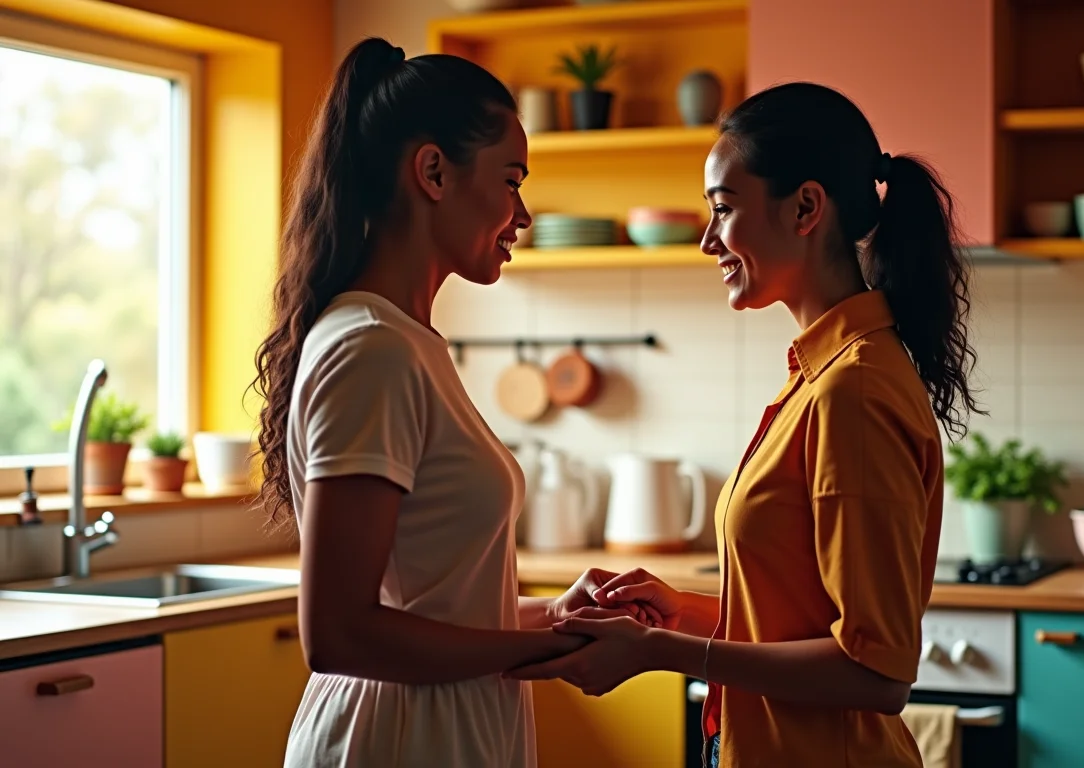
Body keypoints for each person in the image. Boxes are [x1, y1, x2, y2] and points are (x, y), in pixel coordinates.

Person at [506, 81, 984, 767]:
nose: (707, 241)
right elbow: (796, 620)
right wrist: (680, 610)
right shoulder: (822, 374)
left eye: (723, 210)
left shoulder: (852, 391)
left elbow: (876, 674)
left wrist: (660, 652)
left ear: (805, 208)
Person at [248, 37, 639, 768]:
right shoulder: (372, 349)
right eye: (511, 179)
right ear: (433, 172)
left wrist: (552, 615)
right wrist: (544, 647)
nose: (522, 214)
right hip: (392, 741)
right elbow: (338, 633)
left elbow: (429, 609)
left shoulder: (406, 343)